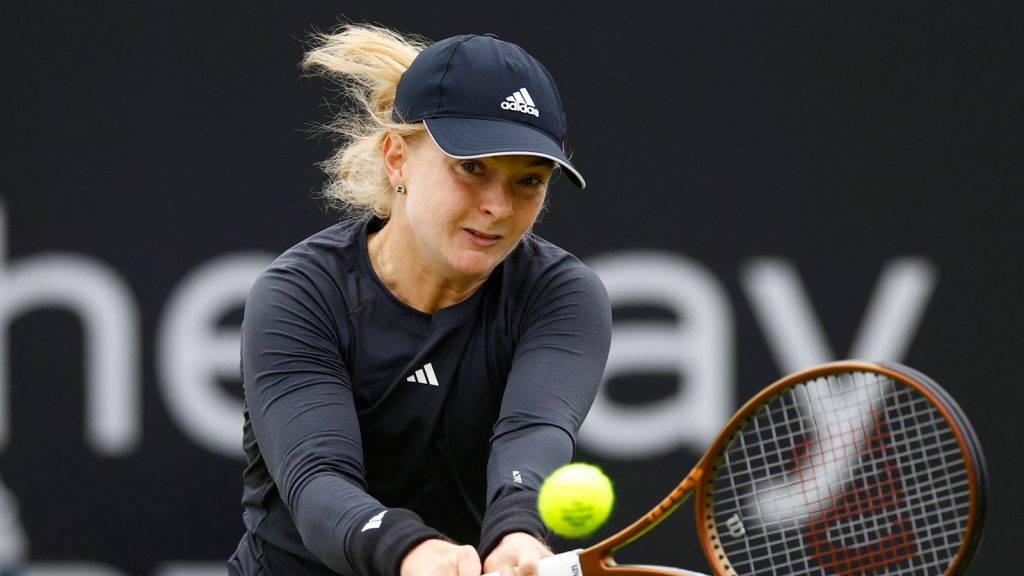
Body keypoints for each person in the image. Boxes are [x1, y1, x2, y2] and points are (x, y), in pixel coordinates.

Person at [227, 24, 612, 576]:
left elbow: (533, 433)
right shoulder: (300, 294)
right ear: (396, 158)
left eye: (528, 180)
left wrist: (519, 530)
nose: (499, 207)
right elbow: (318, 481)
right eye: (472, 168)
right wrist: (412, 551)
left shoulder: (561, 296)